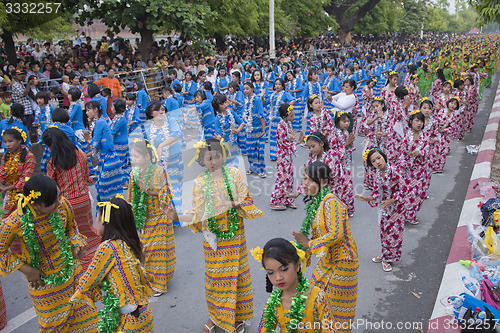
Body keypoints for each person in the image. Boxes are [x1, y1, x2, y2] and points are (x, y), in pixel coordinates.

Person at [163, 138, 263, 333]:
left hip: (235, 239)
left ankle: (238, 317)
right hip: (213, 242)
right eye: (209, 158)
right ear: (202, 161)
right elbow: (197, 214)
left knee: (238, 278)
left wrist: (233, 203)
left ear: (223, 156)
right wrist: (175, 216)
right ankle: (216, 317)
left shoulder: (234, 175)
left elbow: (247, 199)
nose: (214, 162)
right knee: (215, 281)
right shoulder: (199, 183)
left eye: (217, 156)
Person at [0, 175, 99, 331]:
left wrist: (76, 244)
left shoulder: (62, 204)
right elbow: (1, 250)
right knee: (54, 327)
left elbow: (72, 228)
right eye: (53, 203)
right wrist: (26, 269)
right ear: (36, 205)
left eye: (59, 196)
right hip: (44, 285)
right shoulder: (15, 221)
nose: (60, 203)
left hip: (73, 274)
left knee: (87, 321)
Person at [71, 196, 154, 332]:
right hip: (144, 316)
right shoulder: (129, 242)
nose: (95, 222)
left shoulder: (108, 247)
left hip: (130, 321)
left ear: (104, 221)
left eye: (96, 217)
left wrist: (71, 299)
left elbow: (88, 280)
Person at [292, 161, 358, 332]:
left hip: (343, 263)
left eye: (310, 180)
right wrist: (299, 253)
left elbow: (336, 234)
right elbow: (316, 238)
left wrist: (309, 243)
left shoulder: (330, 201)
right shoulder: (316, 202)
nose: (305, 184)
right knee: (312, 299)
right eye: (304, 179)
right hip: (327, 261)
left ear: (325, 182)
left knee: (333, 311)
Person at [42, 127, 99, 270]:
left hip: (66, 204)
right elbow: (87, 178)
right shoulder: (80, 153)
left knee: (72, 236)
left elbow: (50, 186)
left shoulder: (54, 162)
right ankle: (96, 262)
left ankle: (80, 268)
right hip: (84, 199)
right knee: (88, 231)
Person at [127, 139, 176, 297]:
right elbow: (131, 196)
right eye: (132, 156)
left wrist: (152, 193)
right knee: (145, 250)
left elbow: (168, 192)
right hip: (144, 219)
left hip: (160, 217)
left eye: (136, 157)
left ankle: (159, 285)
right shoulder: (133, 174)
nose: (133, 160)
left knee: (158, 252)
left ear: (147, 157)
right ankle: (150, 279)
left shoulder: (159, 171)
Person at [255, 238, 335, 333]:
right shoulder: (273, 303)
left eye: (284, 269)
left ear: (297, 266)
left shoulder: (317, 297)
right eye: (271, 272)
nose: (278, 277)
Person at [355, 148, 408, 272]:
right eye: (373, 161)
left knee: (393, 235)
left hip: (397, 209)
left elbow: (404, 189)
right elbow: (376, 193)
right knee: (384, 233)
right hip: (384, 209)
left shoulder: (394, 171)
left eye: (379, 158)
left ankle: (388, 259)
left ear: (384, 156)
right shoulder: (377, 174)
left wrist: (391, 201)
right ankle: (385, 255)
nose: (377, 162)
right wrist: (365, 198)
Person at [144, 100, 183, 210]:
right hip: (160, 164)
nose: (161, 111)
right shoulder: (148, 129)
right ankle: (169, 215)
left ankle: (177, 215)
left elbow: (177, 134)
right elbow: (149, 147)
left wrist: (161, 145)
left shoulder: (170, 121)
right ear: (151, 113)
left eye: (162, 109)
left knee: (175, 188)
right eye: (157, 109)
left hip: (175, 160)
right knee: (165, 189)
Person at [84, 100, 124, 201]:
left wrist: (88, 140)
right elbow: (96, 148)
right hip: (106, 158)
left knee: (104, 187)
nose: (86, 112)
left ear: (96, 110)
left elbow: (95, 143)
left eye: (88, 110)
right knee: (104, 187)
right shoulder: (98, 122)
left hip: (109, 159)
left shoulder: (100, 122)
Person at [270, 104, 304, 210]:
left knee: (289, 177)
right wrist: (297, 141)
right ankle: (274, 200)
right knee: (282, 178)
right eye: (291, 115)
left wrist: (292, 139)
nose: (293, 117)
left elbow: (289, 139)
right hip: (282, 156)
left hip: (288, 156)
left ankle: (287, 199)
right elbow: (285, 143)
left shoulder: (288, 124)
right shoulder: (280, 127)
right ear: (285, 116)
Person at [0, 127, 36, 222]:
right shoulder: (6, 157)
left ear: (19, 140)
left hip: (24, 196)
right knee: (7, 222)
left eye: (10, 141)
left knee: (24, 223)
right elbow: (2, 175)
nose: (7, 145)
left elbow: (25, 180)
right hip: (10, 195)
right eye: (5, 142)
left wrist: (6, 188)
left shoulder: (29, 157)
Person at [212, 93, 244, 167]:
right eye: (222, 104)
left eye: (225, 102)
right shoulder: (217, 119)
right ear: (217, 106)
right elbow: (218, 133)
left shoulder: (231, 112)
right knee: (227, 166)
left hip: (234, 143)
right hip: (225, 146)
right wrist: (219, 138)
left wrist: (237, 130)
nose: (225, 105)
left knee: (235, 165)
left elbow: (242, 122)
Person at [243, 82, 266, 178]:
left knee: (259, 150)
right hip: (249, 129)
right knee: (250, 150)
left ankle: (261, 169)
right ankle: (252, 167)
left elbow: (261, 115)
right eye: (244, 89)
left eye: (247, 88)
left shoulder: (257, 100)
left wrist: (263, 130)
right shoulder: (245, 101)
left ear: (252, 89)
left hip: (258, 128)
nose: (245, 91)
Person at [110, 99, 131, 178]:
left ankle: (124, 179)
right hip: (119, 141)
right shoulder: (117, 118)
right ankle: (128, 177)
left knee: (120, 162)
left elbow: (113, 130)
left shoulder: (121, 119)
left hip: (121, 143)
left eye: (112, 106)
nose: (111, 108)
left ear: (117, 108)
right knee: (123, 161)